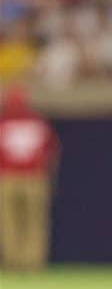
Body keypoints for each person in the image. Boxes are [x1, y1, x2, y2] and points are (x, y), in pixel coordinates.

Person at [0, 85, 60, 271]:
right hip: (34, 177)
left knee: (10, 222)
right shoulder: (39, 122)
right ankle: (33, 263)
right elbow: (52, 151)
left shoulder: (3, 122)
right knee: (34, 223)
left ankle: (13, 262)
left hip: (8, 178)